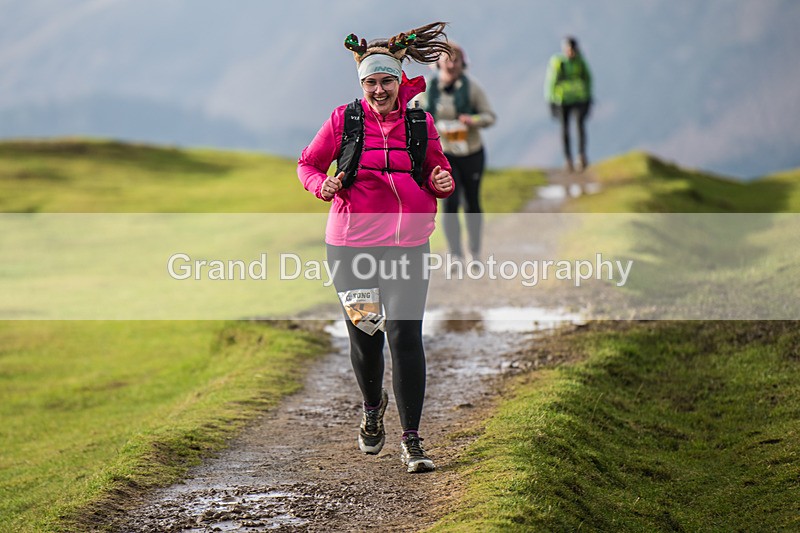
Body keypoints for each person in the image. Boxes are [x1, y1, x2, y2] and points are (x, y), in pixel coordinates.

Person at [297, 22, 454, 473]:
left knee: (406, 337)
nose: (379, 90)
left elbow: (437, 170)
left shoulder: (420, 123)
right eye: (371, 82)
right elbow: (307, 164)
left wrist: (443, 181)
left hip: (407, 247)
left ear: (398, 80)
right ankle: (371, 406)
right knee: (367, 335)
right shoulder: (343, 121)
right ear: (361, 83)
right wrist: (320, 186)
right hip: (351, 250)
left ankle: (412, 440)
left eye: (386, 81)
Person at [415, 43, 496, 267]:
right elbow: (417, 115)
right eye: (447, 59)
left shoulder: (472, 88)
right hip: (444, 155)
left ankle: (475, 252)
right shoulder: (427, 90)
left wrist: (472, 121)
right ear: (438, 63)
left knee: (472, 203)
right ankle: (455, 255)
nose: (451, 64)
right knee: (450, 204)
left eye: (456, 60)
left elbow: (489, 116)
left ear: (463, 63)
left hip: (471, 152)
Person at [545, 36, 593, 172]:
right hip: (562, 100)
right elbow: (551, 81)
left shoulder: (580, 62)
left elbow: (588, 79)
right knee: (564, 129)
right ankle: (568, 159)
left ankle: (581, 156)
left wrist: (588, 97)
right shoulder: (559, 62)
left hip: (579, 99)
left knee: (579, 127)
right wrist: (550, 100)